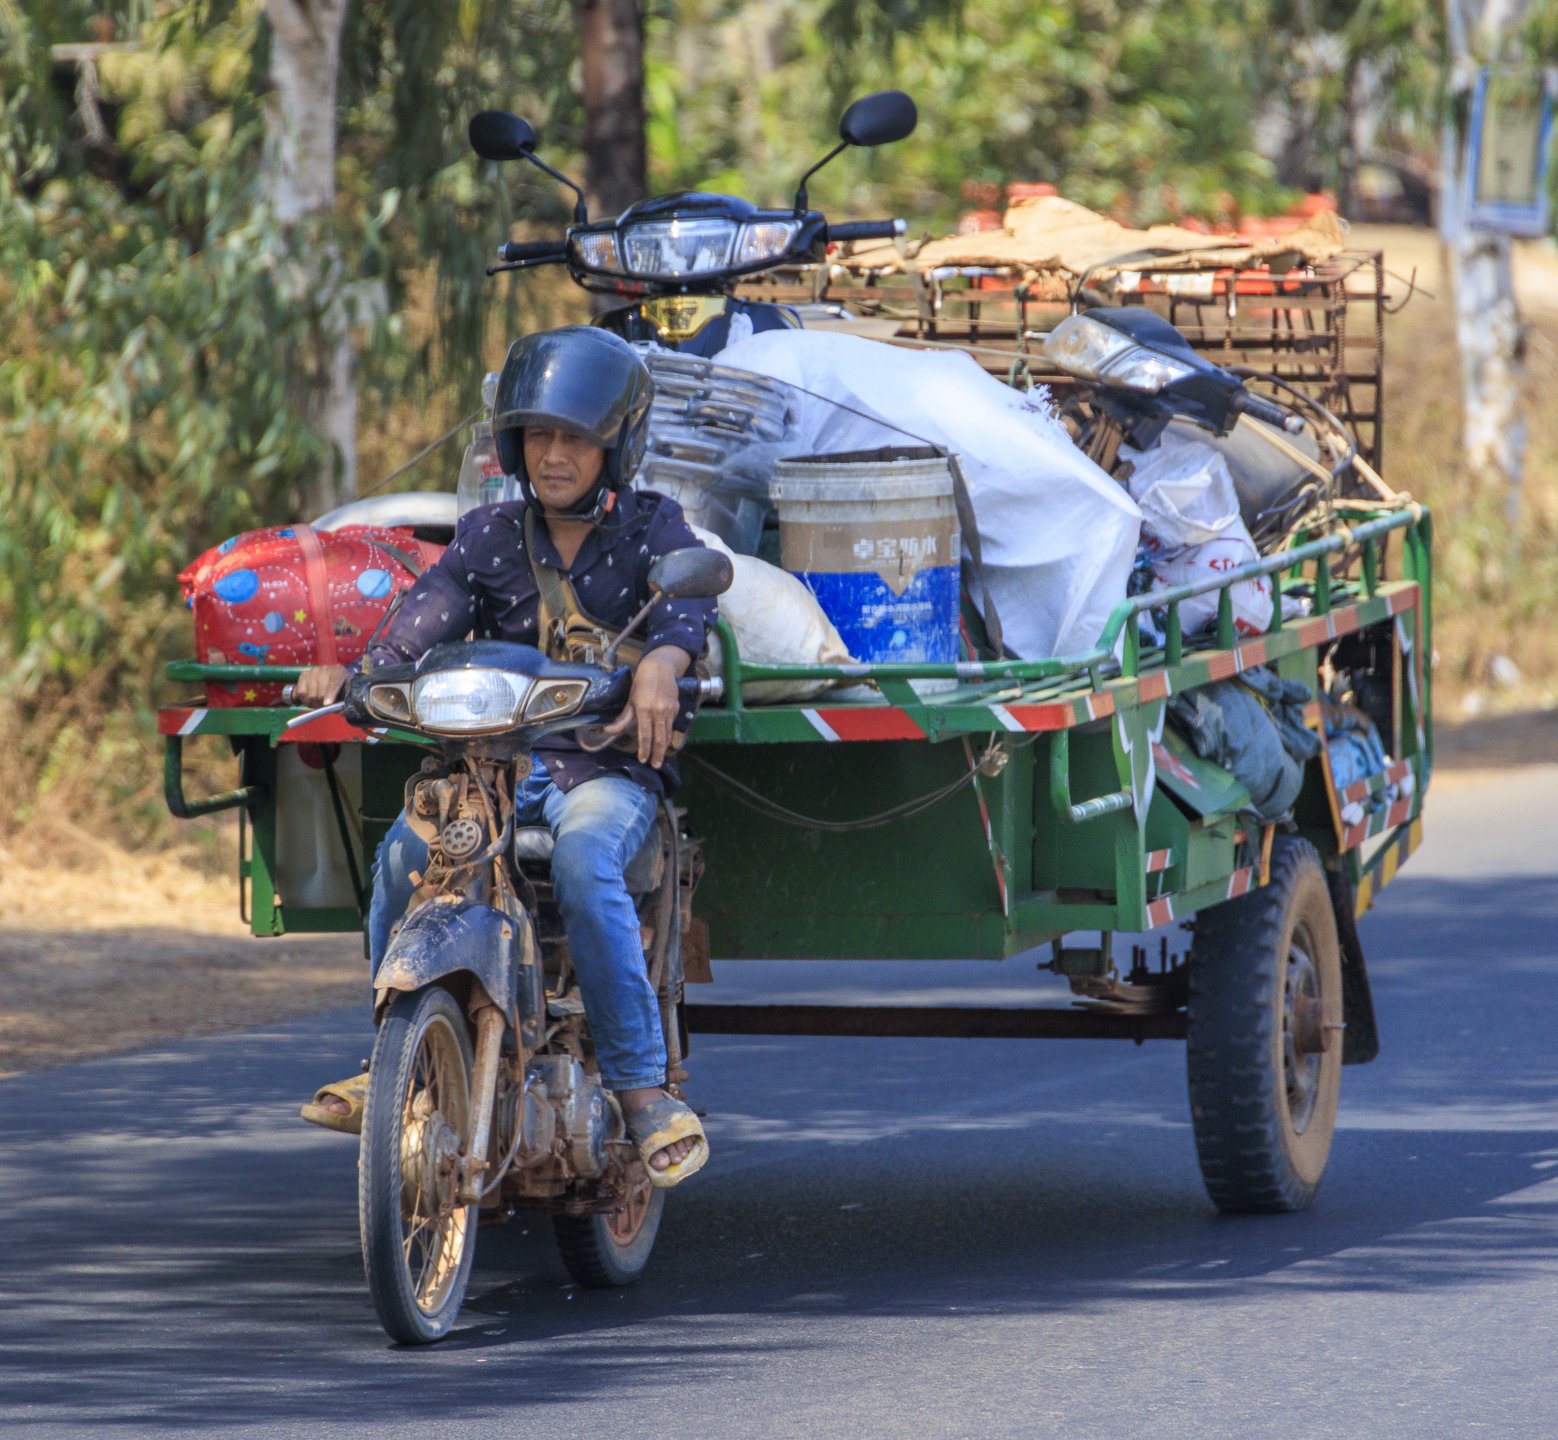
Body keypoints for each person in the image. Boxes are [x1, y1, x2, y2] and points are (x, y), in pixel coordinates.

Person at [295, 326, 714, 1187]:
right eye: (539, 436)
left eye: (576, 437)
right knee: (404, 856)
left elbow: (683, 625)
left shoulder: (651, 530)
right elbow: (421, 620)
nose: (555, 455)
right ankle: (394, 1062)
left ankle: (640, 1092)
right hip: (494, 770)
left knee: (588, 860)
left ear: (616, 444)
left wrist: (662, 670)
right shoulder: (487, 533)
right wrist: (358, 674)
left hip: (600, 771)